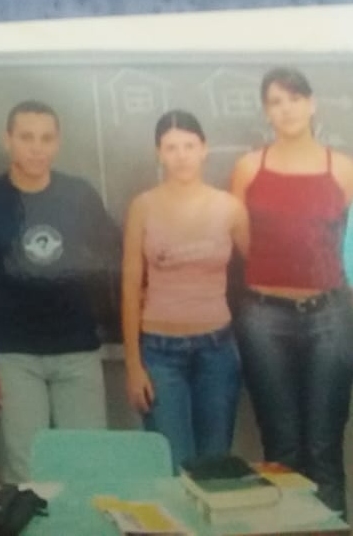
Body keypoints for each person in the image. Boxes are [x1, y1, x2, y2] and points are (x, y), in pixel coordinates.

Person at [0, 100, 120, 483]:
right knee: (26, 471)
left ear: (58, 142)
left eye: (46, 138)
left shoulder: (81, 196)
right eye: (26, 137)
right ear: (8, 140)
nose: (37, 148)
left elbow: (110, 264)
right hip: (14, 356)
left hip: (77, 351)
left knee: (88, 467)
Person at [231, 67, 353, 514]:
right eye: (276, 102)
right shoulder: (249, 168)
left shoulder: (343, 168)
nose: (287, 109)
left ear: (312, 103)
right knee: (281, 447)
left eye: (295, 98)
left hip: (330, 316)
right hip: (264, 318)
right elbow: (244, 242)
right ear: (266, 112)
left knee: (324, 444)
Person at [122, 110, 249, 471]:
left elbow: (260, 270)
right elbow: (130, 287)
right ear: (159, 153)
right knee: (172, 465)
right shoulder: (143, 207)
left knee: (214, 466)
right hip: (160, 354)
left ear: (204, 149)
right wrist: (133, 365)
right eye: (171, 147)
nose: (181, 156)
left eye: (189, 146)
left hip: (218, 351)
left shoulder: (230, 207)